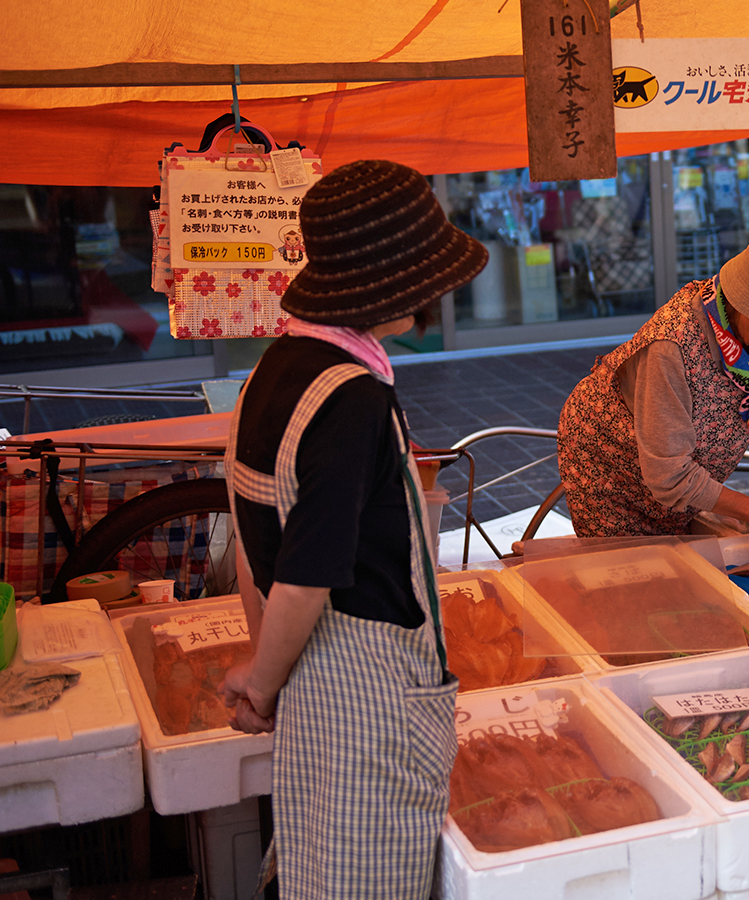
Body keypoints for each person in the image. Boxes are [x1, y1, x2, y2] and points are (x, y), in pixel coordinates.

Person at [221, 160, 487, 900]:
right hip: (367, 704)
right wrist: (263, 683)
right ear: (390, 287)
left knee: (316, 868)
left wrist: (267, 669)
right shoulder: (352, 399)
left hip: (310, 684)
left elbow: (253, 545)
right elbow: (305, 576)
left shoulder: (271, 372)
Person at [557, 224, 749, 558]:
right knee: (632, 569)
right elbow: (670, 475)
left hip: (678, 471)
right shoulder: (671, 346)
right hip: (615, 472)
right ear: (746, 304)